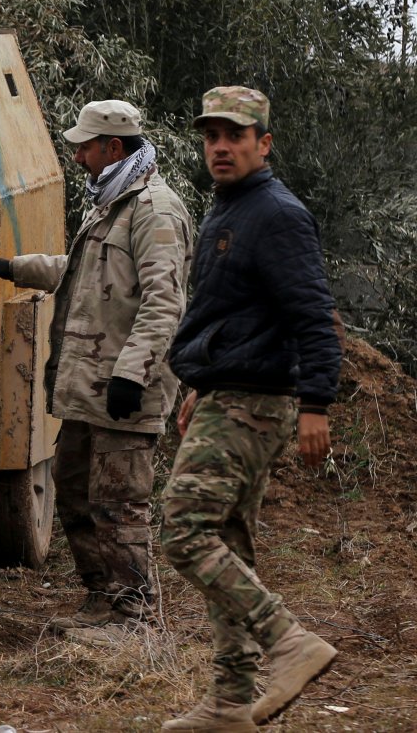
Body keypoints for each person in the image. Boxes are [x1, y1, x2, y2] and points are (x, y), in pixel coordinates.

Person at [0, 99, 192, 641]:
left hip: (124, 392)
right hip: (87, 389)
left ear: (113, 148)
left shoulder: (155, 211)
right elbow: (89, 274)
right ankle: (102, 600)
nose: (77, 157)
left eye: (85, 147)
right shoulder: (111, 203)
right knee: (75, 495)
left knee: (119, 504)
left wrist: (132, 374)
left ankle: (132, 616)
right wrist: (16, 268)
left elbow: (165, 302)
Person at [160, 86, 342, 731]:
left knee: (184, 527)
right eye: (211, 137)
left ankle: (289, 641)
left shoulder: (276, 214)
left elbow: (313, 315)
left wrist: (317, 401)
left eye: (234, 136)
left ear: (263, 143)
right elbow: (228, 315)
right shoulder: (230, 208)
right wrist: (200, 386)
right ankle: (232, 701)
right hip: (227, 395)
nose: (220, 148)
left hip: (255, 402)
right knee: (227, 538)